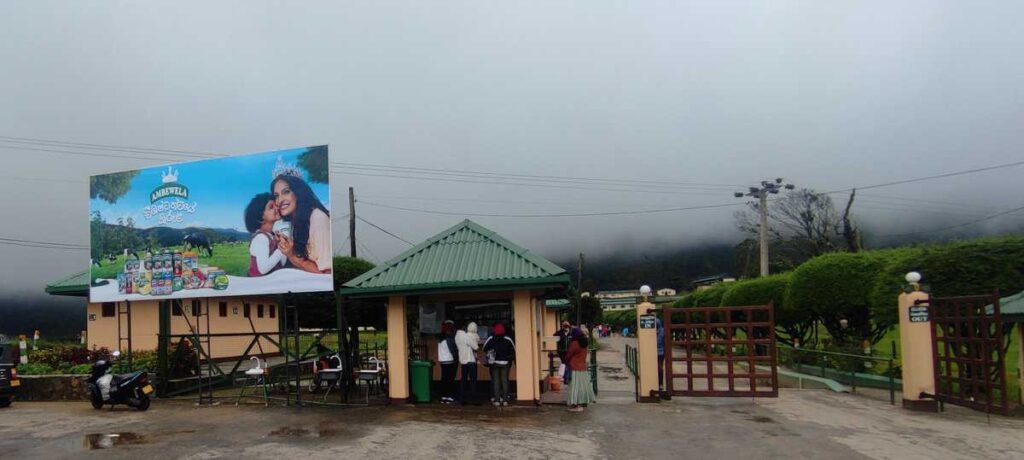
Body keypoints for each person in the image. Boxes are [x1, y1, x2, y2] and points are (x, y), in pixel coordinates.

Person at [271, 174, 332, 274]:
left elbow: (327, 274)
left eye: (286, 192)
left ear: (299, 193)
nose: (279, 200)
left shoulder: (318, 218)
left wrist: (291, 255)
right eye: (276, 196)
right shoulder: (295, 222)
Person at [244, 193, 287, 276]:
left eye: (276, 205)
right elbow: (263, 269)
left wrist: (282, 245)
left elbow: (282, 263)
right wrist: (281, 248)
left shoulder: (272, 236)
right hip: (258, 284)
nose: (276, 208)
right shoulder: (261, 238)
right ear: (260, 216)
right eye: (271, 207)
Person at [483, 323, 515, 407]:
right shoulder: (507, 339)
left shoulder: (491, 338)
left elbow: (484, 348)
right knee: (504, 381)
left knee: (496, 382)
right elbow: (513, 350)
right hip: (505, 363)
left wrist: (491, 353)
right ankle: (505, 400)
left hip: (494, 363)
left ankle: (497, 400)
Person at [565, 328, 596, 412]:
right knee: (581, 387)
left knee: (574, 387)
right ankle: (581, 404)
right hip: (583, 367)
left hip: (574, 367)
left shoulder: (574, 343)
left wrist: (566, 361)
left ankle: (577, 406)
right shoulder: (585, 343)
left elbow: (568, 355)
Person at [455, 321, 480, 404]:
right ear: (463, 327)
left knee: (463, 380)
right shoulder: (465, 336)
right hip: (470, 361)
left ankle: (462, 399)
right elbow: (476, 347)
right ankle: (474, 400)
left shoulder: (457, 336)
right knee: (473, 381)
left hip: (463, 361)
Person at [437, 320, 458, 404]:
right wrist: (457, 359)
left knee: (444, 379)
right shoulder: (449, 339)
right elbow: (453, 351)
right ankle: (448, 396)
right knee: (450, 380)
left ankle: (443, 396)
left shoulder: (440, 338)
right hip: (449, 361)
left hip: (442, 361)